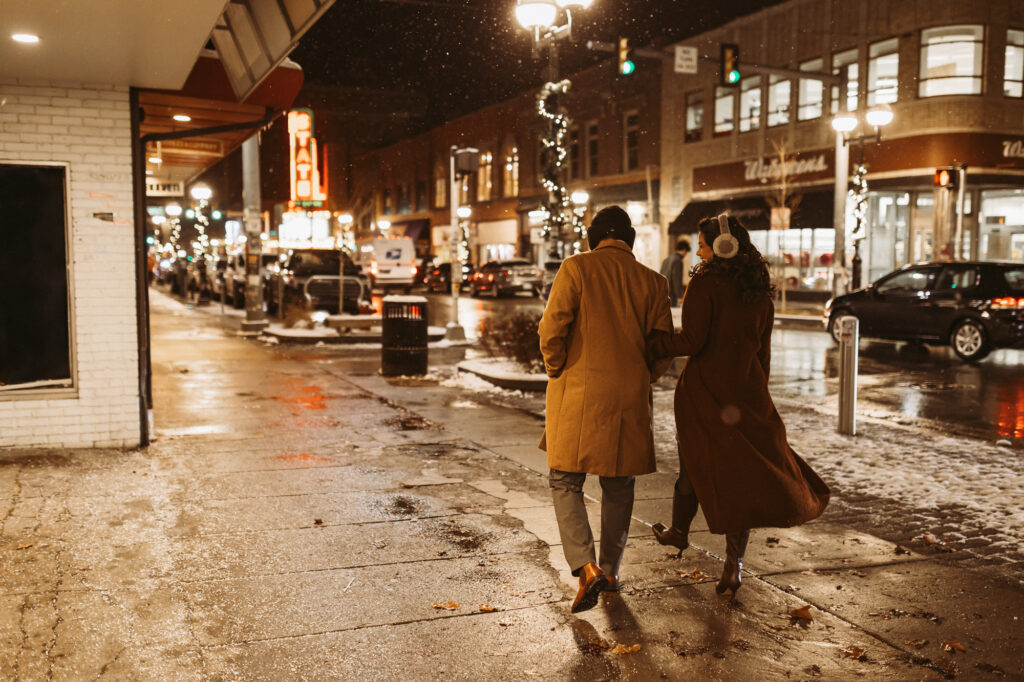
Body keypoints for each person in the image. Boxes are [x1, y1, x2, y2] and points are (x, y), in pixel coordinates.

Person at [647, 214, 830, 596]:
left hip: (704, 395)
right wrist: (757, 395)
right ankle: (734, 566)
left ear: (723, 246)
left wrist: (656, 343)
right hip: (746, 397)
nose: (698, 249)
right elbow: (762, 355)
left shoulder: (705, 282)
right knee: (740, 479)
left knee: (692, 468)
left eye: (702, 242)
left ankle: (680, 532)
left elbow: (693, 341)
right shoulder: (760, 289)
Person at [539, 205, 674, 614]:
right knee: (618, 485)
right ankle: (612, 571)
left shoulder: (576, 268)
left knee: (565, 480)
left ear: (593, 238)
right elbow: (662, 347)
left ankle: (586, 567)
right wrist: (640, 376)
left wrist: (556, 368)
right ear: (629, 240)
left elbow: (552, 330)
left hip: (577, 395)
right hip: (627, 400)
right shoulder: (654, 282)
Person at [659, 239, 691, 306]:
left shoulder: (666, 259)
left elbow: (660, 275)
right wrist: (679, 296)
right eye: (686, 252)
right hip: (672, 294)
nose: (685, 255)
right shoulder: (678, 261)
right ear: (684, 250)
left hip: (663, 293)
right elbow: (676, 279)